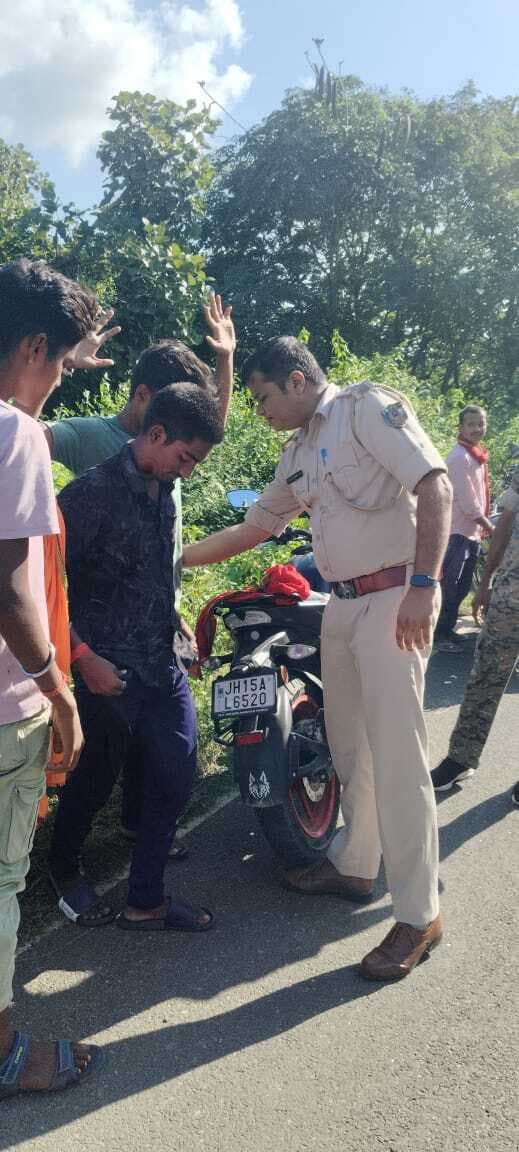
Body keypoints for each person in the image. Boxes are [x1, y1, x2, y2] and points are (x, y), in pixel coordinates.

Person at [183, 336, 453, 982]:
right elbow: (256, 527)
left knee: (397, 759)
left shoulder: (365, 410)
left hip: (394, 598)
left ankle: (418, 915)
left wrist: (423, 585)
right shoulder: (297, 452)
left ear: (298, 381)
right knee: (349, 747)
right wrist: (176, 558)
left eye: (262, 397)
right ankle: (355, 866)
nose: (260, 411)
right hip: (341, 605)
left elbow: (433, 483)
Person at [17, 295, 236, 856]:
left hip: (155, 622)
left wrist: (226, 359)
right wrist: (60, 371)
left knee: (158, 753)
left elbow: (206, 426)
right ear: (147, 406)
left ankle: (140, 833)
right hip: (101, 632)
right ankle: (68, 858)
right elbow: (20, 439)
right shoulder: (97, 446)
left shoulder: (177, 453)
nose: (187, 467)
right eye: (182, 455)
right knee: (103, 756)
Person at [48, 385, 223, 932]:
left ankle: (146, 898)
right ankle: (62, 870)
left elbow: (153, 570)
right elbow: (42, 588)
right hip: (106, 672)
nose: (188, 471)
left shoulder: (164, 489)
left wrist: (175, 622)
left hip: (159, 661)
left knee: (175, 768)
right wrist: (82, 657)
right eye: (185, 457)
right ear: (156, 433)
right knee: (92, 780)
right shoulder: (88, 495)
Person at [0, 258, 102, 1097]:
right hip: (5, 706)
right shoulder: (14, 433)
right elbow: (7, 586)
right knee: (0, 881)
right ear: (34, 346)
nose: (62, 380)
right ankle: (5, 1055)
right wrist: (58, 691)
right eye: (62, 364)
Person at [432, 467, 519, 800]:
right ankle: (460, 758)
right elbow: (506, 521)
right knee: (485, 676)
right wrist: (486, 583)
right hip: (512, 594)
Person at [435, 405, 493, 651]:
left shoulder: (475, 455)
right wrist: (490, 527)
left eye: (480, 424)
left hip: (471, 532)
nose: (476, 429)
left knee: (462, 586)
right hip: (457, 531)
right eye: (471, 424)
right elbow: (469, 503)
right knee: (450, 585)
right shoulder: (460, 457)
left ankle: (447, 629)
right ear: (461, 427)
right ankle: (439, 635)